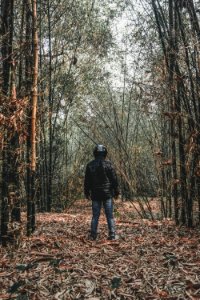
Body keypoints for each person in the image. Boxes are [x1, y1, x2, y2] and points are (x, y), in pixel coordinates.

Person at [84, 144, 119, 240]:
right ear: (105, 153)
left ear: (95, 153)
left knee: (95, 215)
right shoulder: (109, 164)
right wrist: (116, 191)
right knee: (110, 216)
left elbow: (87, 181)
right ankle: (112, 235)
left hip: (95, 194)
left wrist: (86, 192)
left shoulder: (90, 165)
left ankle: (93, 235)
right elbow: (114, 180)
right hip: (107, 194)